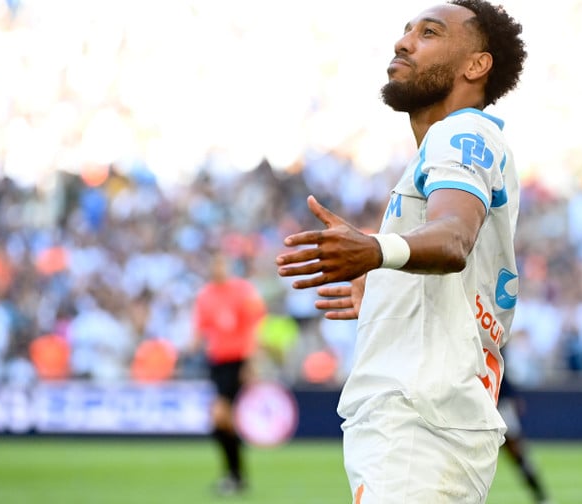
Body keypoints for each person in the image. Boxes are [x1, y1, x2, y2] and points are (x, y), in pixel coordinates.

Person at [275, 1, 527, 501]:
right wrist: (388, 284)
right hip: (427, 422)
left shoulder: (461, 131)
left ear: (476, 65)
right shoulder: (452, 145)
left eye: (429, 33)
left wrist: (376, 251)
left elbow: (453, 238)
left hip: (418, 424)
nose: (403, 42)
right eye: (407, 30)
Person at [189, 252, 266, 495]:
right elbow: (200, 330)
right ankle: (236, 476)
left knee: (219, 416)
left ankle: (234, 475)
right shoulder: (205, 295)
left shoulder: (243, 291)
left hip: (237, 361)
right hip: (217, 362)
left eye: (221, 264)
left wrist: (251, 362)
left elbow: (254, 327)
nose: (218, 269)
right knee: (224, 422)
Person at [497, 374, 552, 504]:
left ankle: (541, 497)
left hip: (500, 405)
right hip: (483, 404)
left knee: (518, 453)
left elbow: (501, 373)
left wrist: (511, 396)